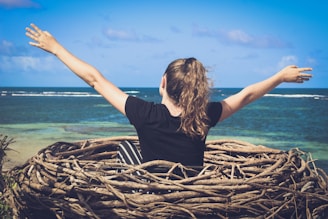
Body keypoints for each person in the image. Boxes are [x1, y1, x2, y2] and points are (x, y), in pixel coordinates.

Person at [25, 23, 312, 166]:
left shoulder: (144, 114)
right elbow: (247, 95)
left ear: (162, 82)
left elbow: (95, 80)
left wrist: (56, 48)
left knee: (125, 148)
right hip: (189, 190)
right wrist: (280, 77)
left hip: (150, 189)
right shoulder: (204, 117)